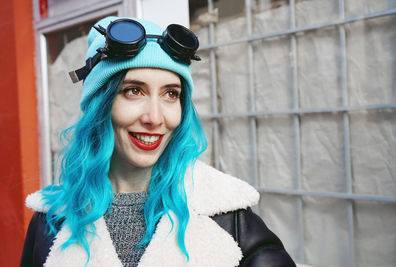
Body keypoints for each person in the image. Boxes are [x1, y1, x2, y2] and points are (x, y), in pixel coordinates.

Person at [20, 16, 296, 267]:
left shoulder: (231, 219)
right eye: (133, 91)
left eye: (170, 94)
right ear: (100, 105)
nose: (155, 117)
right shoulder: (50, 222)